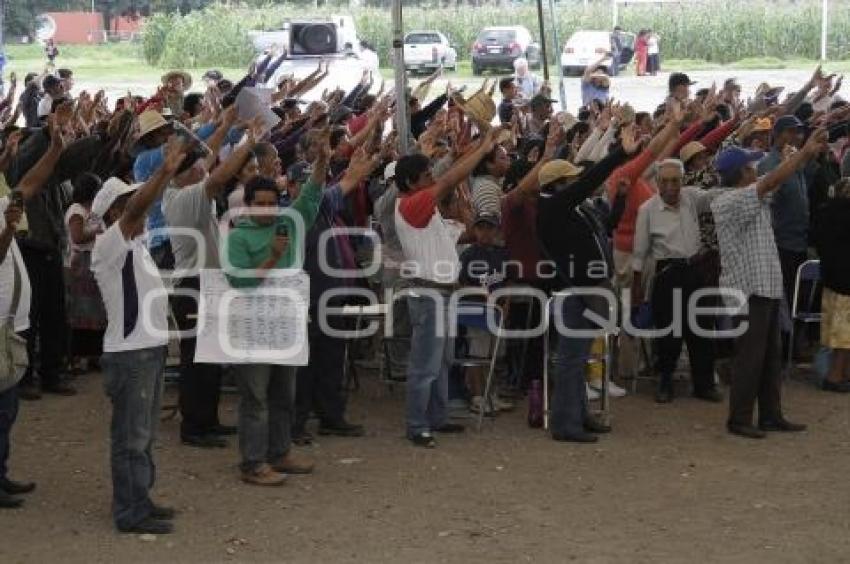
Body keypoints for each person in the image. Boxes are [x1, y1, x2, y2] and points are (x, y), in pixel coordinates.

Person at [90, 136, 188, 534]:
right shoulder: (110, 243)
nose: (142, 206)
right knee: (132, 438)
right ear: (116, 211)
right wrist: (164, 171)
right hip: (131, 355)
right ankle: (130, 510)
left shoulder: (135, 244)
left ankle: (139, 499)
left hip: (145, 351)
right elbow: (136, 208)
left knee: (141, 437)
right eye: (130, 202)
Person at [711, 131, 828, 439]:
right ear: (741, 173)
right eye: (751, 167)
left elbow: (780, 179)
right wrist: (801, 154)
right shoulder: (731, 200)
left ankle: (770, 415)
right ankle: (739, 419)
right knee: (750, 357)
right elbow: (774, 179)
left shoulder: (747, 195)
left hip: (763, 286)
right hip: (749, 289)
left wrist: (801, 157)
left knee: (769, 355)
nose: (756, 170)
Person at [223, 141, 327, 485]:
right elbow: (238, 280)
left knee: (284, 393)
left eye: (273, 203)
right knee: (255, 397)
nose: (268, 210)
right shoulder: (237, 238)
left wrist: (323, 160)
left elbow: (312, 194)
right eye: (260, 205)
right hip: (253, 330)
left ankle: (279, 452)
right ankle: (252, 463)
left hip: (285, 327)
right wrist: (272, 256)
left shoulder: (291, 223)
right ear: (248, 205)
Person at [393, 128, 500, 448]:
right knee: (427, 364)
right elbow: (450, 179)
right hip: (430, 293)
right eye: (426, 175)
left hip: (439, 292)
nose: (432, 179)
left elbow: (467, 232)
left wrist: (470, 153)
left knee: (439, 361)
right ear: (412, 183)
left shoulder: (421, 209)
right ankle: (417, 424)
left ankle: (434, 419)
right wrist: (481, 151)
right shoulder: (412, 206)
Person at [536, 123, 640, 443]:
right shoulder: (554, 208)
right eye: (570, 181)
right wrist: (619, 154)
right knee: (571, 360)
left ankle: (579, 415)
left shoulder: (575, 210)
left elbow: (606, 227)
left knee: (578, 358)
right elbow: (591, 181)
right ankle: (566, 424)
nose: (577, 185)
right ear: (558, 186)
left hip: (587, 290)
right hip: (573, 294)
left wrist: (620, 200)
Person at [161, 107, 250, 449]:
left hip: (204, 283)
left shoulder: (184, 189)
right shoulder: (186, 197)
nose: (204, 167)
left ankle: (207, 420)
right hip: (193, 285)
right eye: (197, 166)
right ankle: (194, 427)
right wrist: (248, 144)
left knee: (209, 357)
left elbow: (209, 155)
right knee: (196, 360)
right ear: (185, 174)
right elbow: (217, 175)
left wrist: (227, 124)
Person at [631, 159, 723, 404]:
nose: (671, 186)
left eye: (676, 180)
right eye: (665, 181)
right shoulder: (648, 210)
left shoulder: (692, 197)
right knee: (668, 332)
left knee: (702, 328)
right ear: (658, 183)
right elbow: (639, 255)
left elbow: (716, 194)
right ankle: (664, 382)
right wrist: (636, 292)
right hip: (667, 274)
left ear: (683, 180)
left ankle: (703, 384)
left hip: (695, 270)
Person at [0, 188, 36, 509]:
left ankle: (1, 473)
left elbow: (33, 180)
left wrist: (55, 147)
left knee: (7, 408)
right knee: (1, 409)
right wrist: (9, 229)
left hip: (7, 325)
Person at [457, 212, 514, 414]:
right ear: (474, 230)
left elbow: (508, 281)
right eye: (480, 228)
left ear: (497, 230)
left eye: (489, 228)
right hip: (476, 311)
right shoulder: (469, 254)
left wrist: (506, 304)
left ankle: (492, 393)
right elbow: (461, 283)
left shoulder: (502, 253)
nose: (485, 232)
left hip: (497, 312)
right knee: (478, 354)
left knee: (495, 354)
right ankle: (478, 395)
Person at [64, 173, 106, 374]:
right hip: (81, 263)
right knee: (81, 313)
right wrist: (98, 232)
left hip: (94, 262)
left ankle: (94, 356)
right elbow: (78, 237)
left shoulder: (93, 210)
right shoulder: (77, 210)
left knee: (96, 312)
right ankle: (77, 358)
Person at [813, 178, 850, 393]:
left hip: (830, 280)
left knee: (833, 333)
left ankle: (840, 374)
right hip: (847, 282)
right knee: (845, 335)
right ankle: (836, 376)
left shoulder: (824, 211)